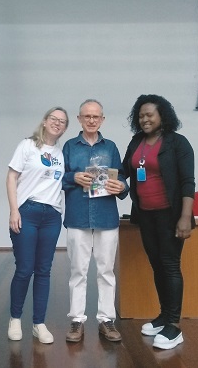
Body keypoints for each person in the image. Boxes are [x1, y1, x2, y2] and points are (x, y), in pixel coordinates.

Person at [121, 94, 195, 350]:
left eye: (150, 114)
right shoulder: (136, 142)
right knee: (157, 265)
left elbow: (187, 182)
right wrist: (104, 178)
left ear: (162, 115)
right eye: (141, 115)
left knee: (170, 265)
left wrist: (185, 217)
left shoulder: (177, 143)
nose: (145, 119)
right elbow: (124, 172)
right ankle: (164, 316)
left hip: (171, 215)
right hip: (145, 215)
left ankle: (173, 325)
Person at [62, 99, 129, 343]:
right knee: (77, 271)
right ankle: (77, 320)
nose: (91, 120)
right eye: (87, 116)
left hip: (106, 217)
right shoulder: (69, 146)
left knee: (106, 271)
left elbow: (121, 178)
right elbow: (57, 178)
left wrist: (122, 186)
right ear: (79, 119)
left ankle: (106, 320)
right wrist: (73, 177)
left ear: (102, 120)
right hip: (77, 216)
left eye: (96, 116)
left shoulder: (111, 147)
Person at [6, 107, 69, 344]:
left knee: (44, 270)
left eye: (62, 121)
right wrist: (14, 210)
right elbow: (11, 177)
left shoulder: (61, 153)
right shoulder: (27, 145)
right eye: (54, 118)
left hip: (52, 215)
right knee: (24, 269)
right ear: (44, 121)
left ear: (65, 128)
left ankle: (39, 324)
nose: (57, 123)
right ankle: (15, 319)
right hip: (27, 212)